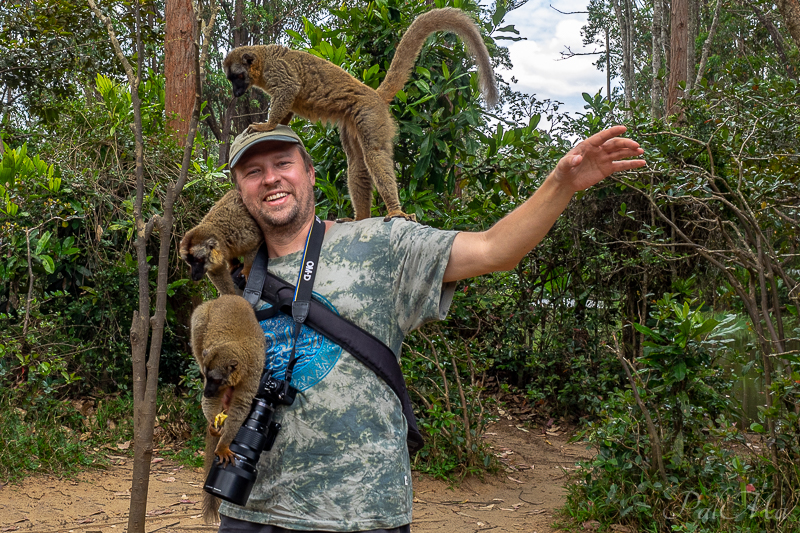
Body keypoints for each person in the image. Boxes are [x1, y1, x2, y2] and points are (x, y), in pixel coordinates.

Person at [215, 124, 646, 533]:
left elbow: (495, 249)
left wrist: (561, 183)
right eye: (254, 172)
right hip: (250, 506)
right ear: (239, 191)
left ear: (309, 172)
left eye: (283, 163)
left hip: (359, 512)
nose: (271, 179)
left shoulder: (380, 243)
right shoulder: (233, 274)